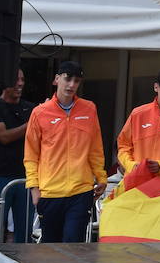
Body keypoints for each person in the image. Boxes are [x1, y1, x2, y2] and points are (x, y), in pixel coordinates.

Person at [23, 61, 106, 243]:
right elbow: (31, 155)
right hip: (50, 191)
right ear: (56, 79)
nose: (71, 85)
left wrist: (101, 177)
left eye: (76, 81)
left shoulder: (89, 108)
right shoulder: (39, 112)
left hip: (81, 190)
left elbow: (95, 147)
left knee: (72, 243)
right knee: (50, 246)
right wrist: (34, 189)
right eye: (68, 79)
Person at [0, 69, 34, 243]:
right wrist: (30, 125)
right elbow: (3, 136)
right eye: (15, 80)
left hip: (25, 175)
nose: (20, 84)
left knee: (25, 228)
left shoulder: (30, 108)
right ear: (4, 83)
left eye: (22, 79)